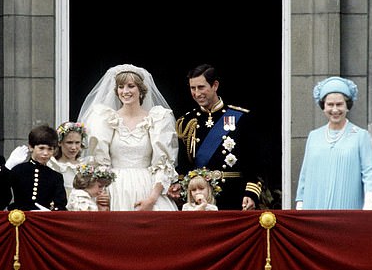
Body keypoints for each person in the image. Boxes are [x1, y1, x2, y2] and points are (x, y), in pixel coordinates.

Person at [77, 64, 178, 211]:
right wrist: (103, 193)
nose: (125, 91)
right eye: (121, 86)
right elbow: (100, 162)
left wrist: (151, 199)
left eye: (131, 86)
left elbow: (163, 165)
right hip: (115, 188)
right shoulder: (106, 119)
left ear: (141, 90)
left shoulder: (157, 119)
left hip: (148, 188)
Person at [175, 64, 262, 211]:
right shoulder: (186, 122)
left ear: (215, 85)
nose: (196, 93)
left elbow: (253, 161)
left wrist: (251, 193)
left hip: (234, 196)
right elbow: (183, 165)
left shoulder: (240, 118)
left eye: (201, 87)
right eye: (192, 88)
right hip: (200, 199)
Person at [295, 76, 372, 210]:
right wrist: (300, 202)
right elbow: (305, 174)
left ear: (347, 106)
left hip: (347, 209)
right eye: (330, 104)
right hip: (314, 205)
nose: (335, 110)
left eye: (339, 104)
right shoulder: (314, 136)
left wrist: (369, 200)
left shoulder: (361, 136)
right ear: (323, 106)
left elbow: (369, 172)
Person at [8, 124, 67, 211]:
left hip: (44, 221)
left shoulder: (55, 177)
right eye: (41, 148)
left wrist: (50, 212)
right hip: (19, 218)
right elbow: (0, 190)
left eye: (50, 149)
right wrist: (7, 167)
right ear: (31, 147)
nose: (45, 153)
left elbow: (61, 205)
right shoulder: (18, 170)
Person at [47, 121, 88, 198]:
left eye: (77, 143)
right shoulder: (52, 165)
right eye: (69, 142)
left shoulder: (85, 165)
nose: (73, 147)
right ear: (59, 143)